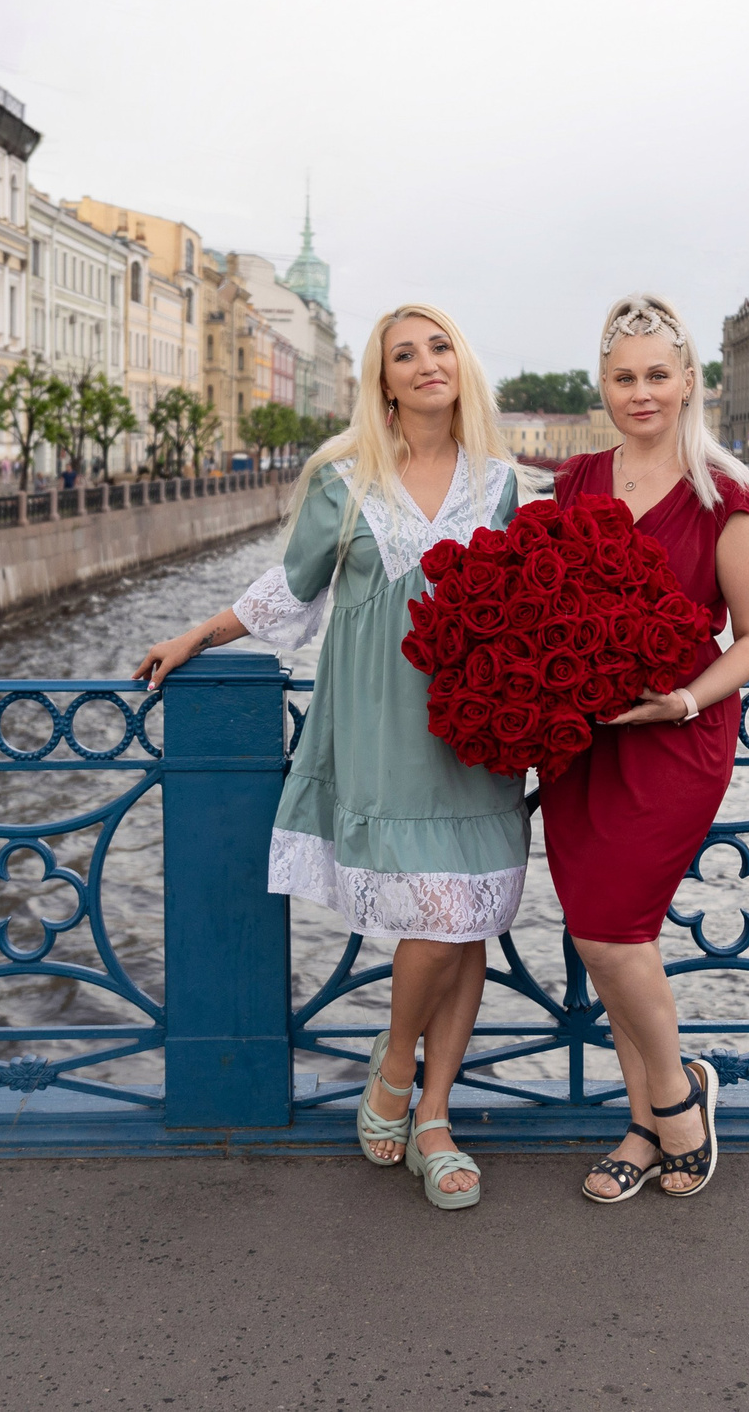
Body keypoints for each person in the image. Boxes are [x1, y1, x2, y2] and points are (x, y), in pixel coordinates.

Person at [134, 304, 525, 1211]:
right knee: (437, 917)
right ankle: (396, 1077)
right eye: (405, 354)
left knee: (465, 925)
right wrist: (202, 632)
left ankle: (428, 1110)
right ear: (381, 380)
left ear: (460, 364)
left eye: (439, 348)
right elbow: (292, 588)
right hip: (383, 736)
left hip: (473, 732)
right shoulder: (342, 482)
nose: (427, 364)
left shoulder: (502, 485)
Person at [541, 293, 749, 1204]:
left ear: (689, 384)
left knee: (612, 930)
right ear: (602, 384)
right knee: (604, 938)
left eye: (657, 376)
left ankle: (678, 1097)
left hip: (675, 736)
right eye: (623, 377)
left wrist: (681, 700)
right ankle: (644, 1124)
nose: (641, 393)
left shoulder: (725, 494)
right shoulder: (573, 485)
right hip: (581, 740)